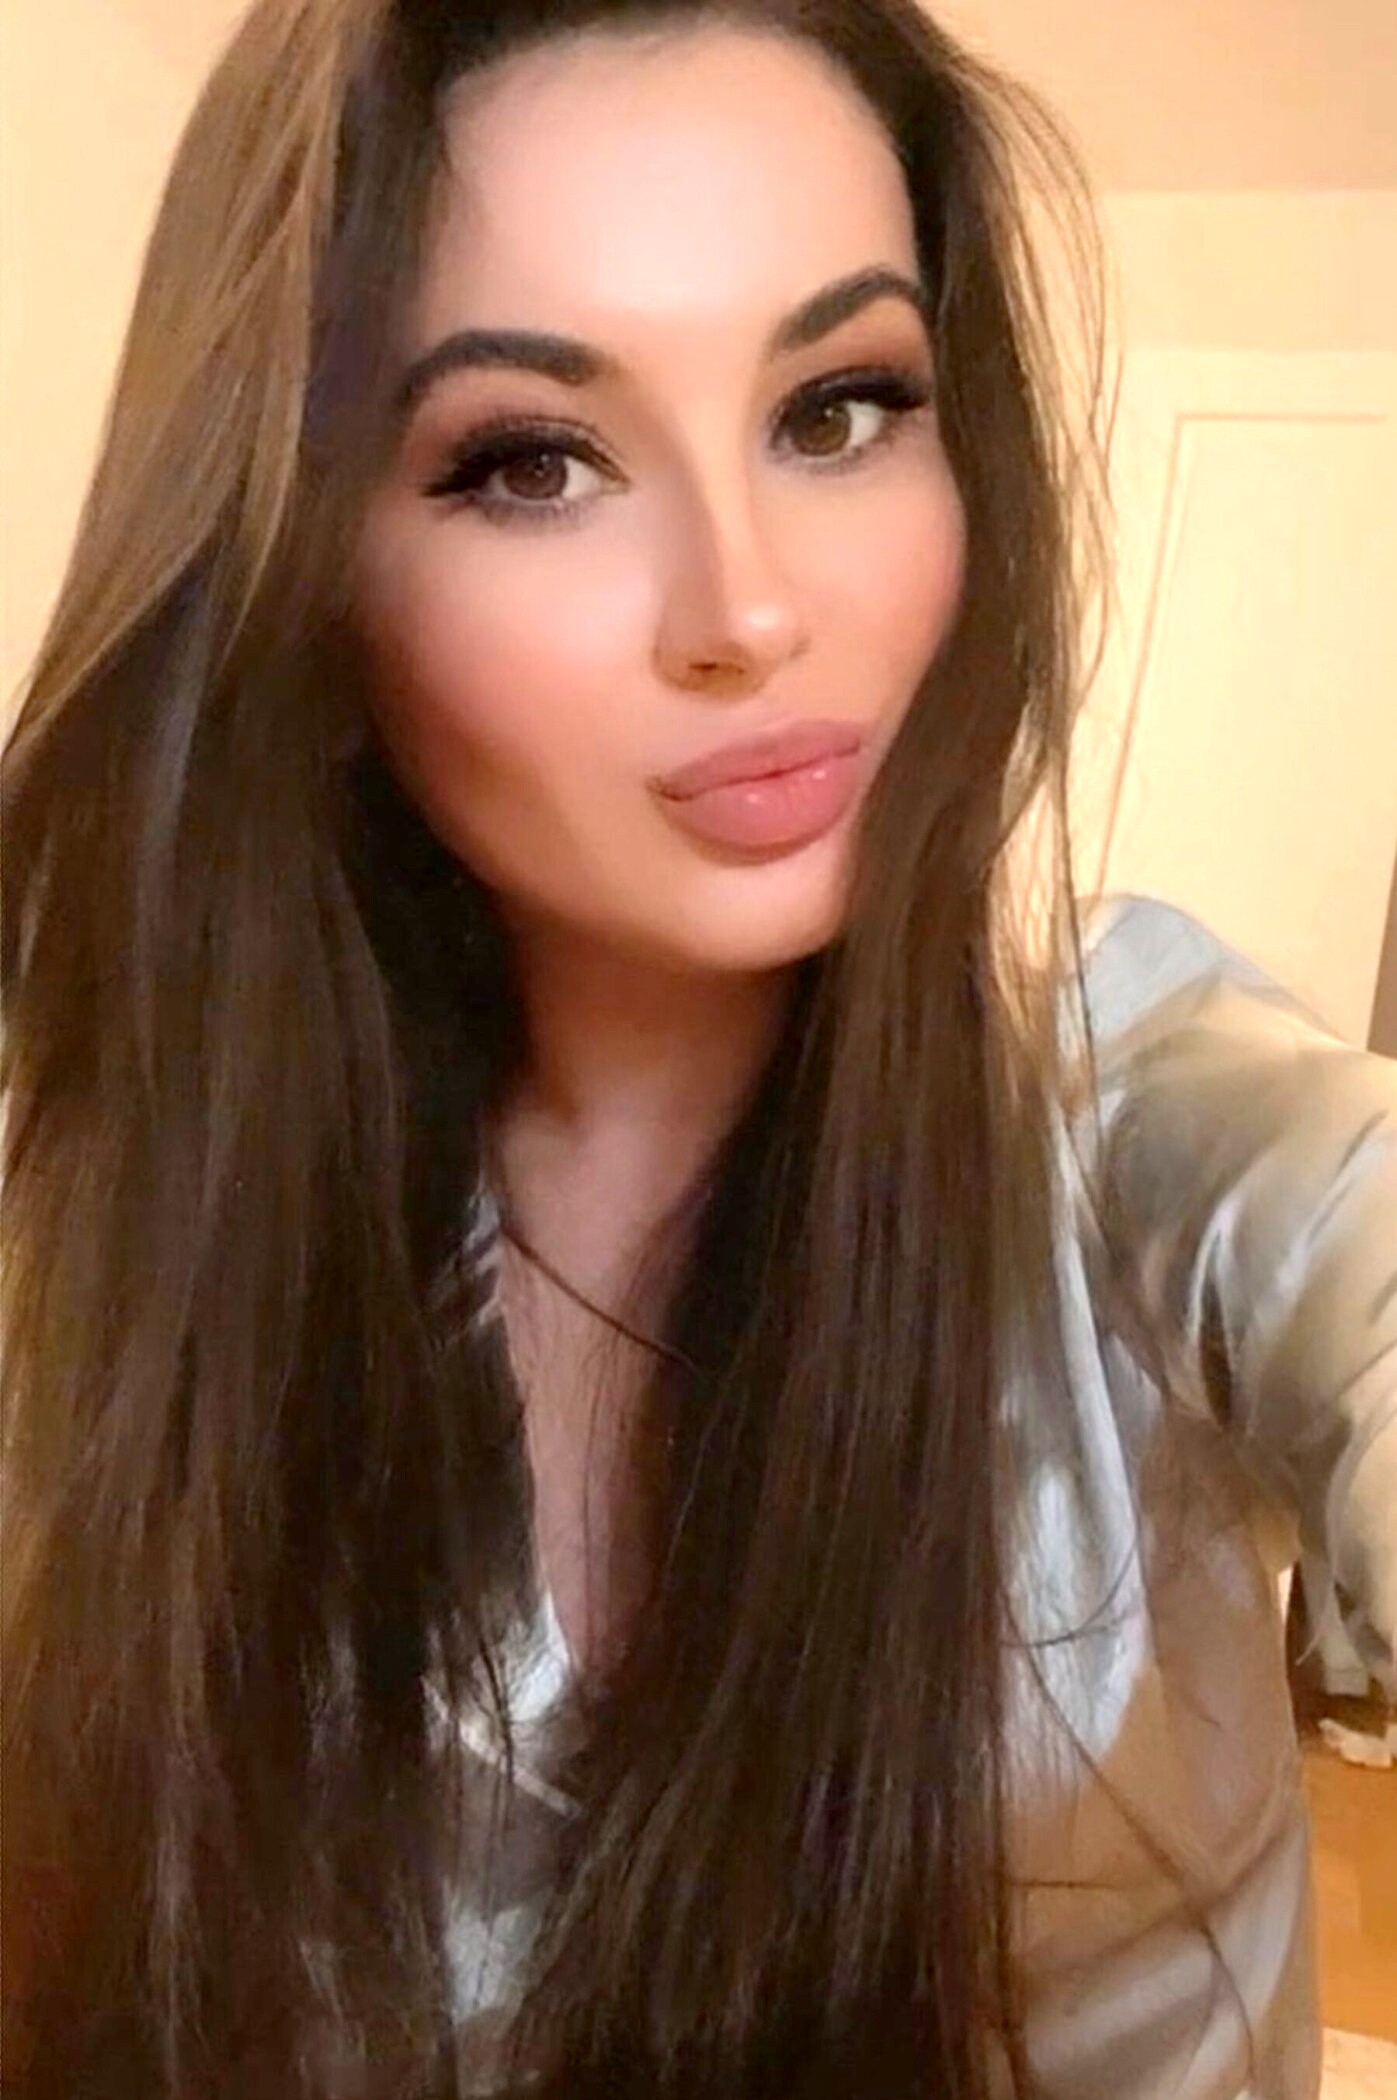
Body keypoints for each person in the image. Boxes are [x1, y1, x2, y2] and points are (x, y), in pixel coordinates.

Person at [1, 1, 1392, 2095]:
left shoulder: (1124, 1108)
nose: (748, 609)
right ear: (303, 571)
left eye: (838, 408)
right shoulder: (129, 1223)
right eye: (534, 461)